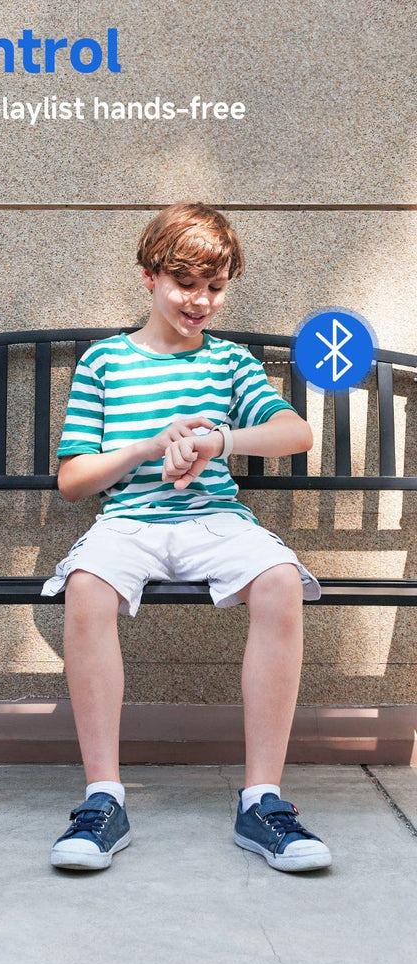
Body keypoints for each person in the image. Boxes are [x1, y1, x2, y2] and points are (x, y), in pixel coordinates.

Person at [43, 202, 331, 873]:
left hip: (214, 522)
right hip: (130, 522)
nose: (200, 301)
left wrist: (216, 440)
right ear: (148, 277)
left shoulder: (228, 363)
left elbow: (295, 434)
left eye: (215, 287)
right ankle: (102, 798)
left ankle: (263, 800)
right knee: (86, 588)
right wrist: (150, 445)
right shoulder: (105, 363)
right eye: (185, 284)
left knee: (281, 581)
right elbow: (73, 481)